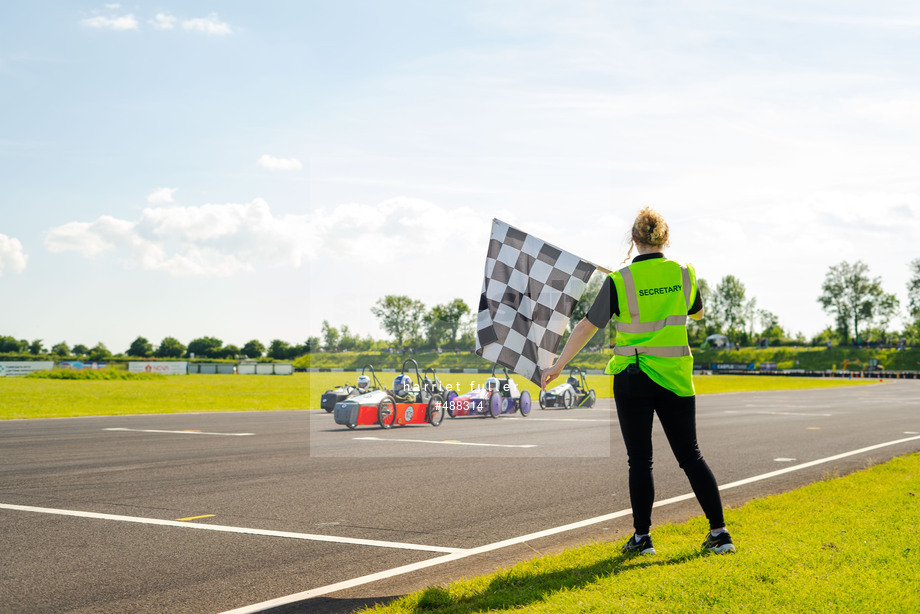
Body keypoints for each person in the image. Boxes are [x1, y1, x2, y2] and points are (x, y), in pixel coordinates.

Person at [541, 206, 735, 555]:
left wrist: (559, 364)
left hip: (633, 377)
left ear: (633, 240)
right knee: (690, 455)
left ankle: (642, 539)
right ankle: (720, 534)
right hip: (675, 378)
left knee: (640, 460)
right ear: (665, 238)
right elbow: (698, 311)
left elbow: (586, 326)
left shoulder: (619, 280)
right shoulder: (684, 272)